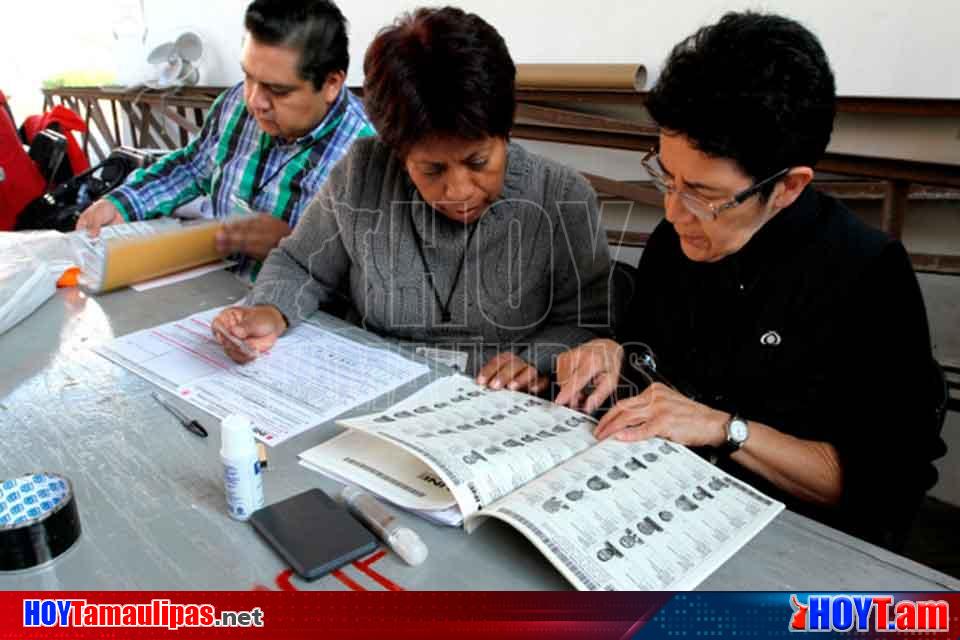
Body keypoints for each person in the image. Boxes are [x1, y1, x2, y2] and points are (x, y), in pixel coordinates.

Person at [555, 12, 946, 548]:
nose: (673, 212)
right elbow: (649, 360)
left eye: (704, 194)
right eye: (666, 176)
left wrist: (725, 428)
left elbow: (882, 490)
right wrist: (611, 351)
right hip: (655, 507)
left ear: (787, 186)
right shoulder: (678, 243)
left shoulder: (867, 274)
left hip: (791, 544)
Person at [212, 6, 611, 392]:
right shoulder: (364, 172)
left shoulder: (561, 198)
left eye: (478, 161)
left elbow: (589, 322)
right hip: (367, 389)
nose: (458, 191)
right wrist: (271, 311)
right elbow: (302, 264)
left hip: (492, 402)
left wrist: (535, 359)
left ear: (505, 132)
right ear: (398, 153)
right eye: (432, 170)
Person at [75, 0, 374, 262]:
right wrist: (119, 205)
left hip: (300, 317)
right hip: (214, 295)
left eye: (278, 90)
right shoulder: (235, 104)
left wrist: (294, 248)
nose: (255, 101)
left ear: (332, 84)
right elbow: (192, 167)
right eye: (248, 76)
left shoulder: (370, 155)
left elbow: (379, 281)